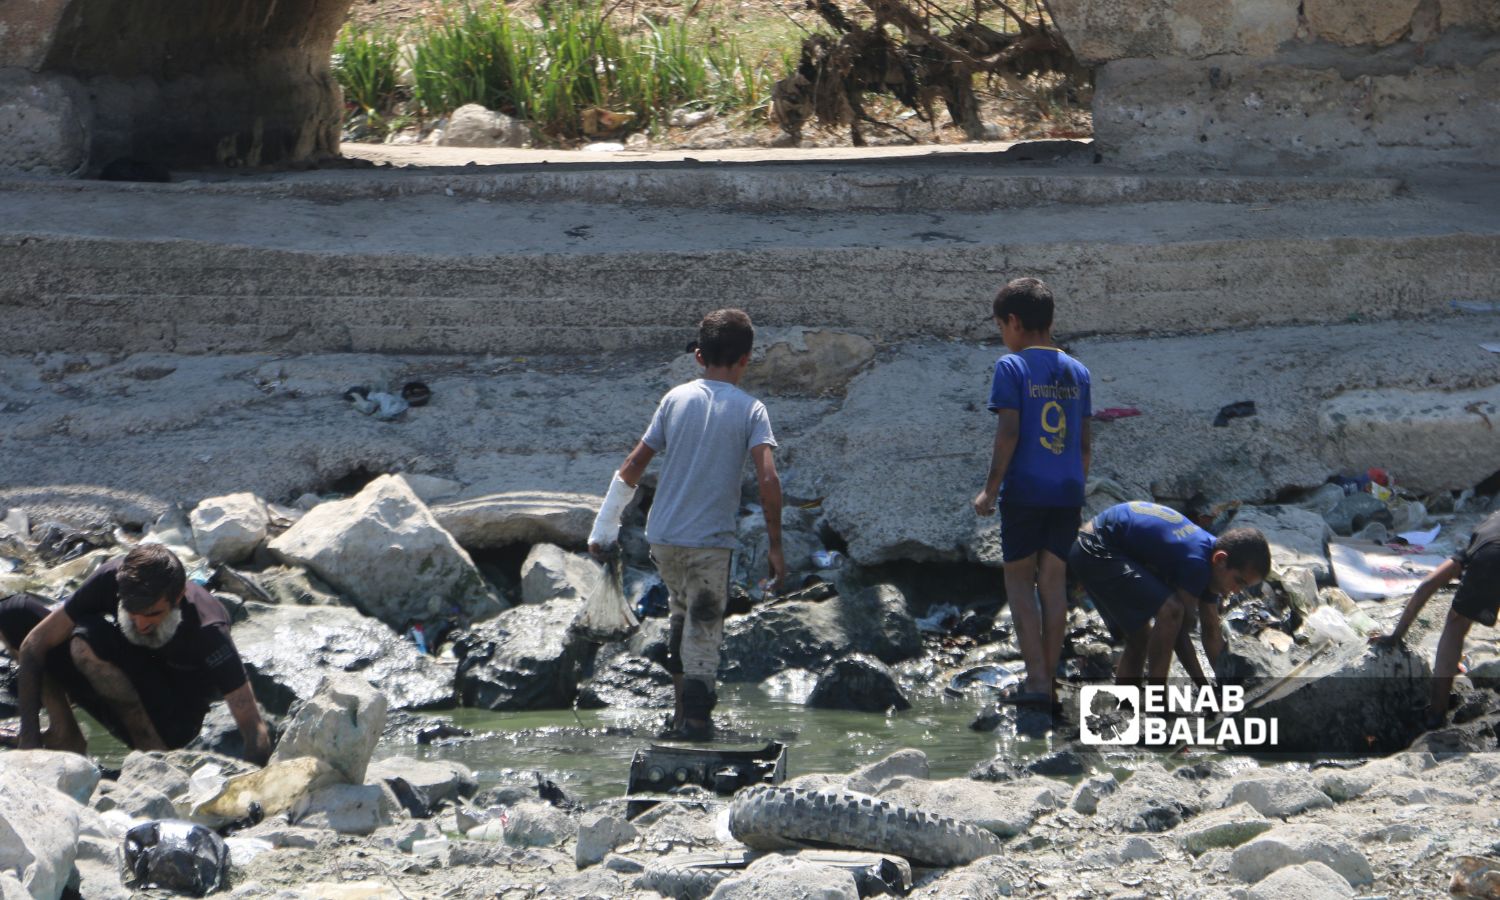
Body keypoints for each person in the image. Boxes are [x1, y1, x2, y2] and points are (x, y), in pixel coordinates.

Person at [588, 309, 784, 740]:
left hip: (664, 538)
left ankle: (679, 715)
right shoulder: (752, 410)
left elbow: (631, 467)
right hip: (709, 543)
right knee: (705, 628)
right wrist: (775, 546)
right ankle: (696, 723)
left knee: (681, 615)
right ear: (747, 359)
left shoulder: (674, 399)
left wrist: (604, 528)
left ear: (698, 356)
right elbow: (768, 479)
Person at [0, 543, 271, 763]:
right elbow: (34, 644)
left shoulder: (208, 629)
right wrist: (30, 738)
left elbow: (252, 724)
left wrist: (251, 791)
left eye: (153, 614)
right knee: (14, 613)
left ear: (176, 599)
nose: (141, 624)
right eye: (133, 613)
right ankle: (64, 734)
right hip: (116, 679)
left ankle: (151, 756)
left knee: (87, 640)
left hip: (173, 720)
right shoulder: (111, 579)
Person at [972, 277, 1091, 708]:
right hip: (1068, 491)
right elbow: (1083, 444)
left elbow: (1008, 432)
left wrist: (990, 490)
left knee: (1019, 581)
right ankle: (1052, 681)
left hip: (1025, 490)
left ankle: (1037, 680)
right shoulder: (1079, 371)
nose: (1003, 337)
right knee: (1054, 583)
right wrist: (1074, 487)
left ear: (1014, 321)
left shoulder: (1013, 367)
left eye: (1001, 327)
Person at [1069, 501, 1270, 685]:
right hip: (1095, 547)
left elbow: (1211, 632)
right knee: (1171, 610)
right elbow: (1179, 634)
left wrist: (1227, 685)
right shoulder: (1198, 563)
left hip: (1096, 545)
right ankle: (1158, 699)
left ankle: (1126, 705)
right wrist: (1204, 687)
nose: (1236, 591)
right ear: (1220, 559)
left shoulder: (1213, 562)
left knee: (1140, 638)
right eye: (1239, 581)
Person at [1370, 508, 1500, 728]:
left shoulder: (1482, 538)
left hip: (1492, 558)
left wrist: (1396, 635)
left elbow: (1427, 586)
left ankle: (1436, 714)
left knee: (1455, 623)